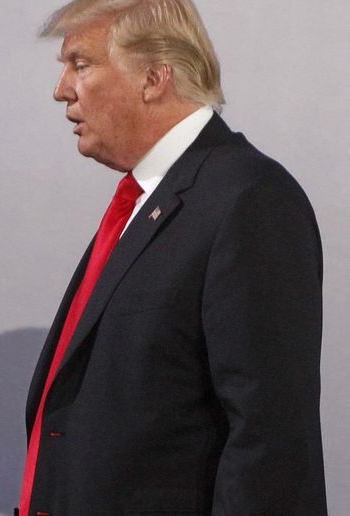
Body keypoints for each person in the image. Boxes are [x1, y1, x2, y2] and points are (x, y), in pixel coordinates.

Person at [19, 1, 327, 515]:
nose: (62, 90)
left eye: (81, 64)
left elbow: (270, 440)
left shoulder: (249, 199)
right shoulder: (147, 201)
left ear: (154, 77)